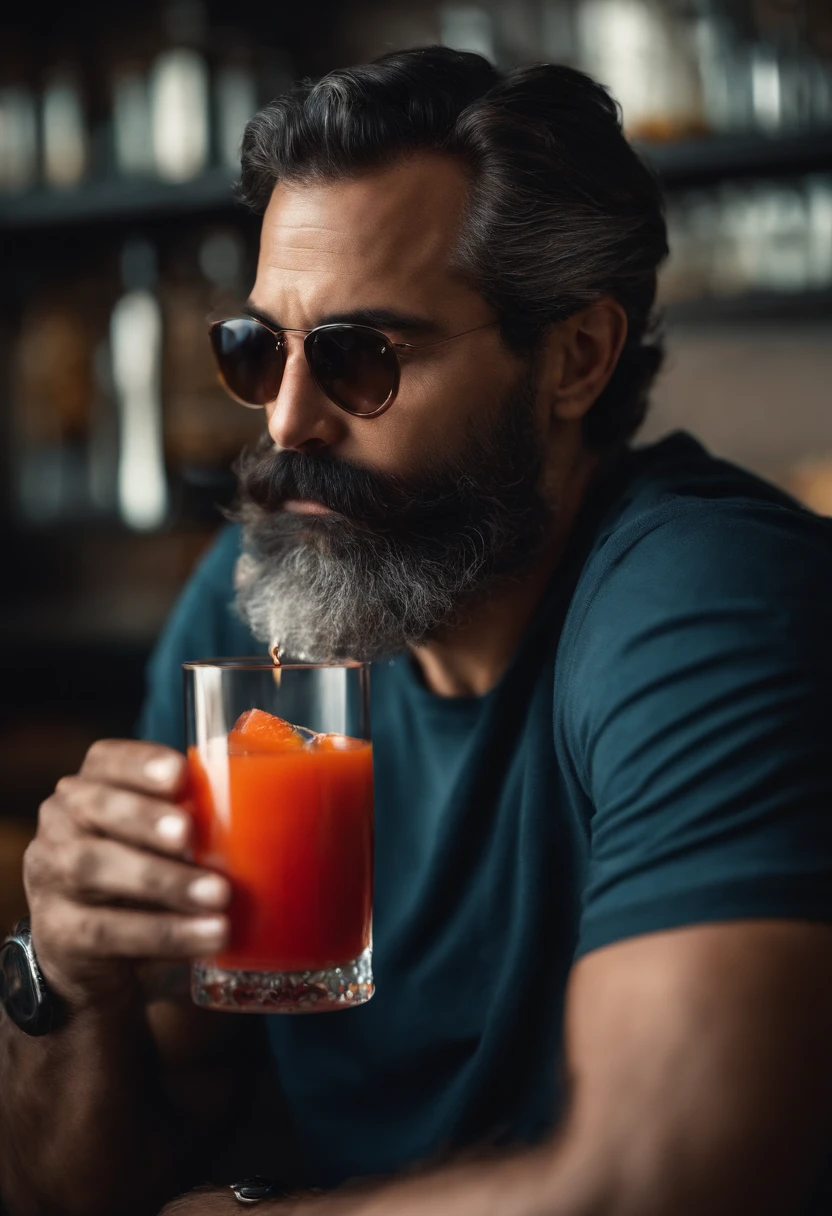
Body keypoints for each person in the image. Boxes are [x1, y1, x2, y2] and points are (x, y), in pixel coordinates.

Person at [2, 45, 831, 1216]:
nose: (288, 421)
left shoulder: (710, 603)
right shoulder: (256, 596)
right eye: (257, 349)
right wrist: (59, 980)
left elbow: (674, 1173)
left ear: (575, 358)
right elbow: (92, 1181)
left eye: (360, 356)